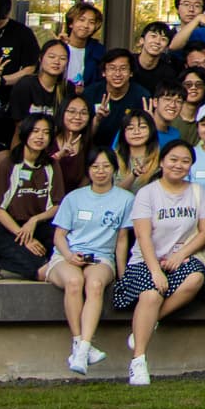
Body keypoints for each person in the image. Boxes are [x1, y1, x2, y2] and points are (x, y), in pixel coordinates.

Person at [114, 140, 205, 386]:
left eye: (185, 161)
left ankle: (149, 322)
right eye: (173, 160)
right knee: (152, 293)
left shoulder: (197, 192)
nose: (179, 165)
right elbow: (143, 236)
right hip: (145, 261)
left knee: (195, 278)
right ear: (162, 162)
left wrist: (180, 255)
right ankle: (139, 360)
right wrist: (155, 270)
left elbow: (204, 231)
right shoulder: (147, 193)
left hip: (179, 259)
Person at [49, 146, 133, 375]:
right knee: (74, 283)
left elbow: (122, 239)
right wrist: (68, 256)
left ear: (115, 170)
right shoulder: (74, 198)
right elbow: (59, 236)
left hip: (102, 257)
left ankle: (83, 348)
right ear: (88, 170)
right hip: (68, 254)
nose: (101, 171)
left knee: (95, 285)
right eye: (95, 166)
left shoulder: (126, 199)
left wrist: (122, 272)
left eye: (106, 166)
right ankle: (80, 344)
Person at [0, 112, 62, 279]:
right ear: (25, 133)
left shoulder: (52, 165)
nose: (40, 136)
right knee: (42, 271)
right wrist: (24, 236)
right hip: (10, 227)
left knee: (62, 251)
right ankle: (0, 260)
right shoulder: (9, 164)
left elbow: (57, 205)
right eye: (35, 131)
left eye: (46, 132)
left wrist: (34, 220)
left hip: (40, 225)